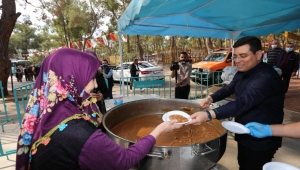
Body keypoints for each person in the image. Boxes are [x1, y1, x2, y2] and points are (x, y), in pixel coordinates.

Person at [15, 48, 182, 170]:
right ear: (70, 80)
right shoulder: (78, 133)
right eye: (90, 77)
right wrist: (161, 127)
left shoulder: (43, 118)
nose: (95, 84)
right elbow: (124, 160)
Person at [187, 36, 284, 170]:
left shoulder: (266, 77)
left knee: (255, 166)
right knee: (243, 164)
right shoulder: (242, 72)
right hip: (243, 130)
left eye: (243, 56)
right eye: (235, 56)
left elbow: (243, 102)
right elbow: (230, 88)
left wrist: (209, 114)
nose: (238, 61)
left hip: (262, 138)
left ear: (258, 54)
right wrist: (212, 98)